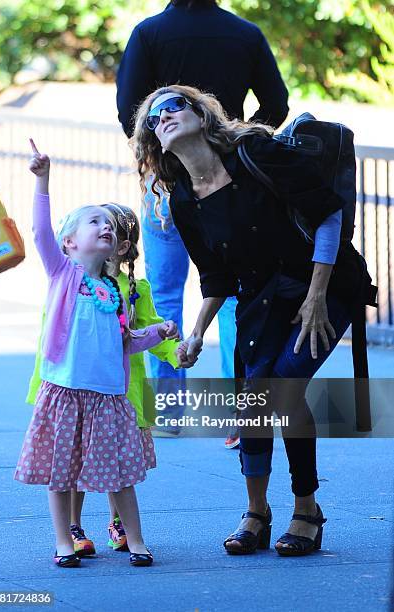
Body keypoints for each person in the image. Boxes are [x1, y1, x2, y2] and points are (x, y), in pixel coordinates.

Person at [130, 85, 375, 556]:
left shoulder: (254, 151)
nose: (164, 117)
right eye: (154, 118)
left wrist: (317, 294)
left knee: (284, 385)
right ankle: (256, 511)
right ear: (155, 142)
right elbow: (216, 275)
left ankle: (306, 510)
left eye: (174, 106)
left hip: (325, 285)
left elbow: (327, 213)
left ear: (201, 115)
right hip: (261, 300)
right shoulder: (183, 198)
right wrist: (197, 332)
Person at [116, 0, 289, 442]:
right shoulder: (245, 33)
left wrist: (164, 149)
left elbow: (127, 111)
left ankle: (170, 409)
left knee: (164, 292)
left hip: (165, 181)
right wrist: (229, 140)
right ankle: (241, 409)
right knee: (239, 293)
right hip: (228, 181)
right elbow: (277, 103)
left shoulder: (149, 32)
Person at [14, 139, 178, 567]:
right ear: (69, 242)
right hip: (65, 393)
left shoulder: (115, 293)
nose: (104, 227)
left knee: (120, 474)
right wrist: (43, 180)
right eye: (93, 222)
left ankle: (136, 541)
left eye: (109, 224)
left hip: (108, 397)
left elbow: (127, 343)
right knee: (60, 473)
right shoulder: (62, 274)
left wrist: (157, 331)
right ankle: (64, 542)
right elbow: (38, 231)